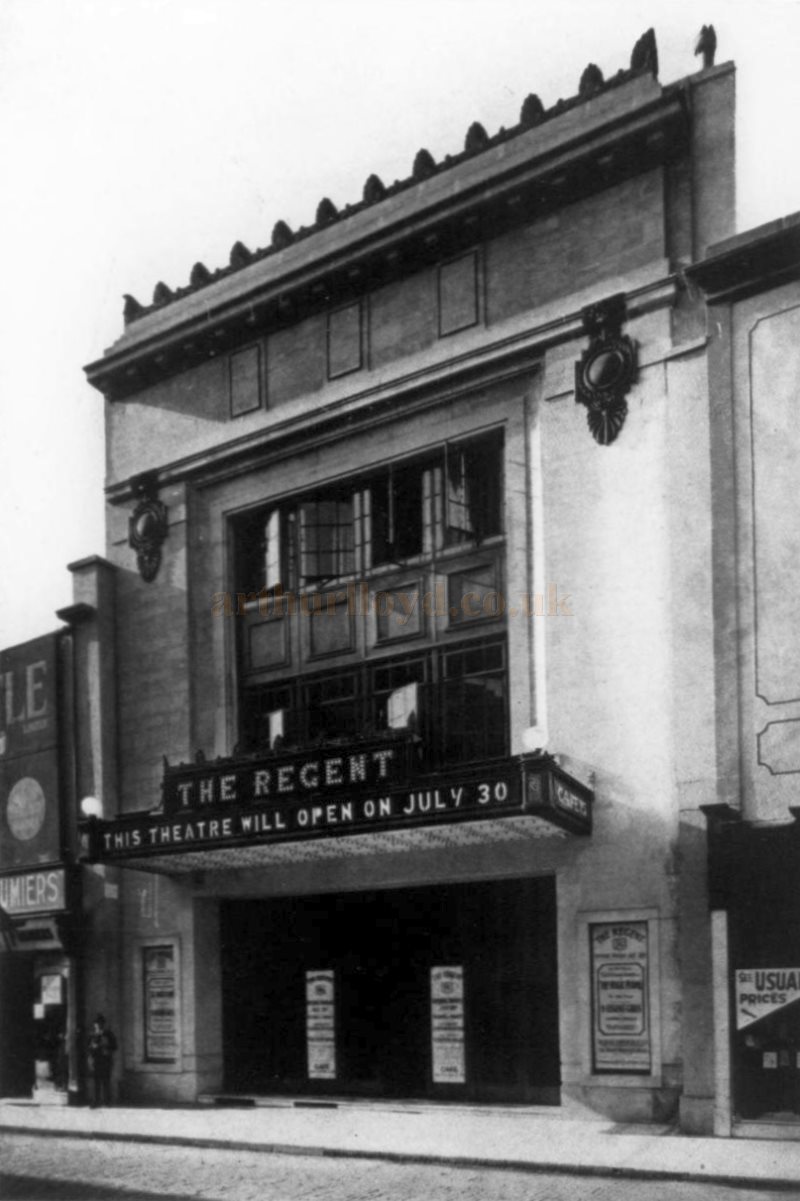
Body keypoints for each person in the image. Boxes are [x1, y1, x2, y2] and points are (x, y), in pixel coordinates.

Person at [87, 1014, 117, 1107]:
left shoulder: (108, 1034)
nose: (98, 1025)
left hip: (105, 1060)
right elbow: (88, 1047)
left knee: (106, 1081)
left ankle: (107, 1101)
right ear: (94, 1025)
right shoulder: (92, 1035)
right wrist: (92, 1047)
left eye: (100, 1023)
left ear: (103, 1024)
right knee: (96, 1082)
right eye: (96, 1023)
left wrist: (105, 1046)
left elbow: (115, 1046)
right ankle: (96, 1101)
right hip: (96, 1060)